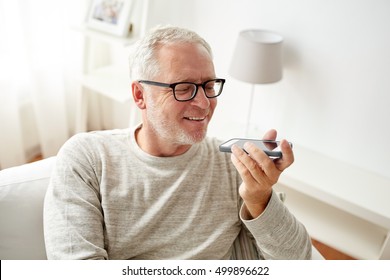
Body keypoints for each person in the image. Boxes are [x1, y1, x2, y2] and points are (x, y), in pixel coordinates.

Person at [43, 25, 312, 260]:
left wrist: (260, 199)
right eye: (183, 88)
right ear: (140, 95)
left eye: (209, 86)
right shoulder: (88, 159)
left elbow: (297, 259)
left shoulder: (233, 166)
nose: (204, 103)